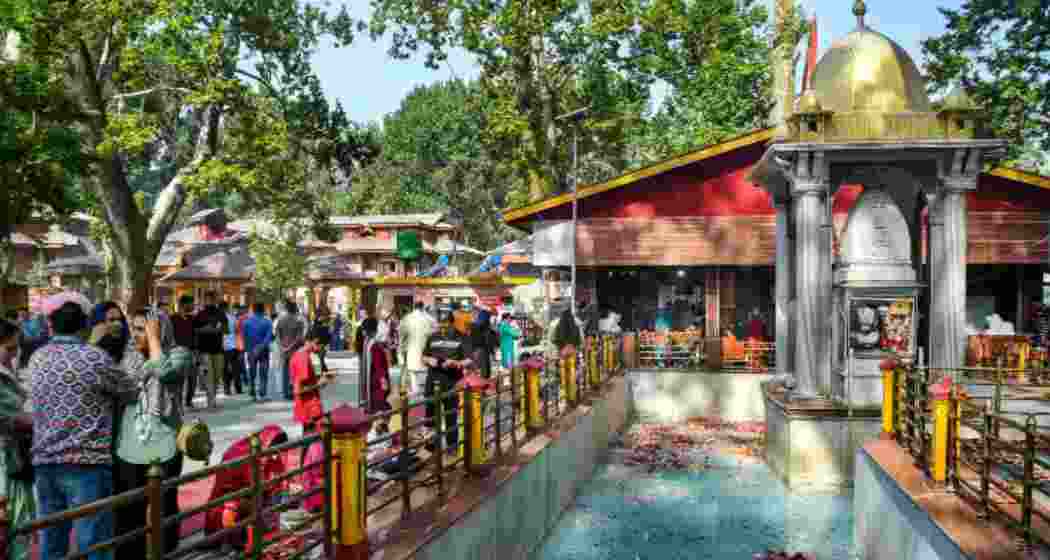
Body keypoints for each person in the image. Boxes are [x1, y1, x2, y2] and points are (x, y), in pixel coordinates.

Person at [30, 292, 137, 560]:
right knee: (95, 543)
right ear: (85, 325)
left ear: (51, 325)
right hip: (87, 463)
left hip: (45, 463)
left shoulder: (37, 358)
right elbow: (130, 391)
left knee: (51, 543)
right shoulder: (96, 358)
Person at [111, 309, 191, 558]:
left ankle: (165, 552)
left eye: (141, 329)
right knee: (128, 511)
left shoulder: (179, 354)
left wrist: (154, 340)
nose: (135, 335)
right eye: (133, 329)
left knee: (164, 504)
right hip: (129, 445)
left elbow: (166, 374)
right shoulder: (128, 358)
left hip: (164, 444)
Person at [204, 426, 288, 550]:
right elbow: (253, 484)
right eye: (275, 449)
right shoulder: (241, 454)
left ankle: (253, 535)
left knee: (269, 504)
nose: (276, 454)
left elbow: (277, 476)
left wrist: (280, 490)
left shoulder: (266, 452)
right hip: (228, 499)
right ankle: (228, 540)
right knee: (240, 508)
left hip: (250, 495)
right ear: (267, 443)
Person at [0, 319, 35, 559]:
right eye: (9, 348)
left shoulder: (7, 372)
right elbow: (17, 417)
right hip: (6, 461)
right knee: (13, 524)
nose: (14, 354)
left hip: (13, 459)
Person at [421, 317, 473, 457]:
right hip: (432, 381)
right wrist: (429, 360)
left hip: (452, 382)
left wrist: (456, 363)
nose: (442, 328)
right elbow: (424, 356)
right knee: (430, 417)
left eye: (445, 325)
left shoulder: (461, 337)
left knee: (451, 416)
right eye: (440, 324)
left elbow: (469, 359)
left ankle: (452, 447)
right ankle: (430, 447)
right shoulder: (432, 337)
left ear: (451, 323)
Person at [291, 325, 331, 438]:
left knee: (309, 441)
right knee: (312, 441)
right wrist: (319, 384)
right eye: (323, 346)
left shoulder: (301, 354)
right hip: (309, 408)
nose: (322, 350)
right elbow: (299, 389)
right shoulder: (303, 358)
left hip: (309, 407)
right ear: (316, 341)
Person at [193, 291, 228, 409]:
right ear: (204, 300)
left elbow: (226, 330)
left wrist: (218, 329)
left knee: (217, 376)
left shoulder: (221, 314)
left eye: (212, 299)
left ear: (215, 300)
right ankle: (210, 401)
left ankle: (213, 397)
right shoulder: (200, 314)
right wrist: (207, 329)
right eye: (208, 299)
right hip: (204, 350)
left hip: (218, 349)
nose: (210, 301)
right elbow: (195, 331)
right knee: (209, 376)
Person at [400, 302, 436, 398]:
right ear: (422, 307)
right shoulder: (430, 319)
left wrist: (401, 349)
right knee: (427, 373)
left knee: (413, 373)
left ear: (414, 307)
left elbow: (402, 335)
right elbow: (435, 333)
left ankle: (416, 391)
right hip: (428, 351)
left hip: (412, 349)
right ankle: (425, 391)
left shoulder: (407, 318)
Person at [275, 300, 307, 401]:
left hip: (284, 350)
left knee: (285, 371)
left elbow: (277, 335)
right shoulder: (299, 321)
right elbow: (299, 338)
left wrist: (282, 347)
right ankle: (293, 391)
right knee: (296, 373)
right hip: (295, 350)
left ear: (287, 309)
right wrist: (290, 347)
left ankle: (285, 392)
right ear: (295, 309)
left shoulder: (281, 320)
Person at [242, 303, 274, 401]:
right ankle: (262, 393)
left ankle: (253, 393)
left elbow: (245, 337)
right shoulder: (267, 322)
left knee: (252, 372)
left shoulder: (246, 322)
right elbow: (268, 337)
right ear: (263, 309)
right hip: (264, 350)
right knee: (263, 372)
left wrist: (248, 350)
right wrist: (261, 347)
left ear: (253, 309)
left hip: (251, 350)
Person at [170, 296, 198, 408]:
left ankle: (189, 401)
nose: (193, 306)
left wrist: (196, 352)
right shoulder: (172, 318)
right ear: (183, 305)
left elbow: (196, 335)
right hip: (177, 353)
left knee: (193, 379)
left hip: (191, 352)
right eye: (191, 304)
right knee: (179, 380)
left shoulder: (193, 319)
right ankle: (179, 404)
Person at [221, 302, 243, 396]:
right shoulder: (233, 318)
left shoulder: (217, 319)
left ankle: (227, 389)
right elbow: (237, 331)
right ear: (227, 308)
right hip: (233, 345)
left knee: (225, 369)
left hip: (223, 346)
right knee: (235, 367)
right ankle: (238, 388)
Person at [471, 308, 498, 379]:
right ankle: (483, 382)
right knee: (484, 369)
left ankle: (481, 381)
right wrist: (492, 352)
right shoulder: (486, 327)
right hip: (483, 349)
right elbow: (489, 340)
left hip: (478, 349)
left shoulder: (474, 325)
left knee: (480, 368)